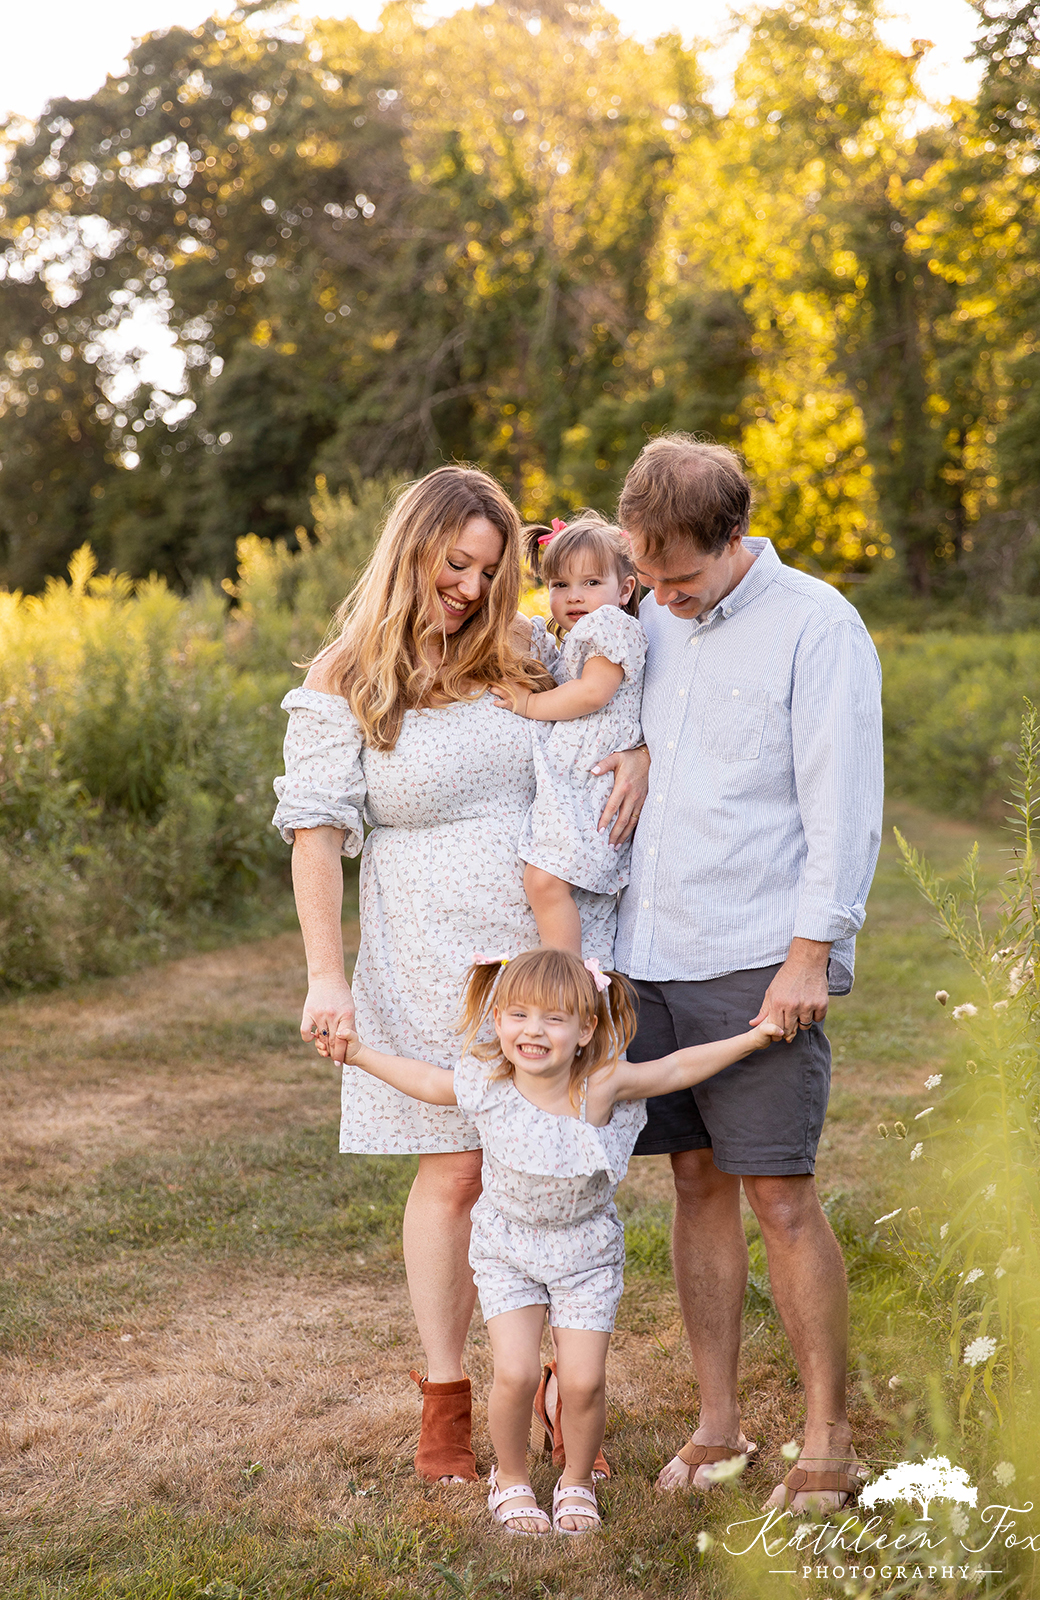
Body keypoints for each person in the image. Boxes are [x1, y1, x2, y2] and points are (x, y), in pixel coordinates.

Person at [271, 466, 644, 1486]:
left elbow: (617, 690)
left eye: (488, 568)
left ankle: (571, 1397)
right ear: (412, 548)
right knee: (455, 1169)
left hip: (545, 946)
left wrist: (638, 753)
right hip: (425, 950)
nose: (474, 587)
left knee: (565, 1167)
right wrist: (323, 976)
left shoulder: (523, 648)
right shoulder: (344, 676)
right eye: (457, 563)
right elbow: (314, 836)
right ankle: (446, 1395)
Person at [608, 433, 883, 1512]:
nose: (662, 598)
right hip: (649, 953)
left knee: (779, 1193)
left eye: (678, 578)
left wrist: (809, 951)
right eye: (647, 576)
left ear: (733, 538)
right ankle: (716, 1421)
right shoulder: (643, 619)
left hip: (757, 955)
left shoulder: (815, 624)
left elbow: (841, 801)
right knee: (692, 1182)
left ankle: (825, 1441)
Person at [326, 946, 784, 1534]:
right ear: (497, 1020)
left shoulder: (601, 1084)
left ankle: (575, 1480)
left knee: (583, 1380)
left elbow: (675, 1068)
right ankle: (510, 1477)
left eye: (553, 1018)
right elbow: (426, 1082)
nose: (533, 1031)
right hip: (507, 1251)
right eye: (517, 1015)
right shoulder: (490, 1083)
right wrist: (360, 1053)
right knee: (514, 1373)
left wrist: (754, 1039)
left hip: (585, 1255)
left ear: (587, 1026)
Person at [491, 514, 647, 955]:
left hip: (592, 782)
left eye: (591, 582)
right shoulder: (578, 636)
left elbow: (594, 693)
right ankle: (584, 973)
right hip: (578, 782)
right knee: (565, 889)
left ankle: (564, 977)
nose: (574, 596)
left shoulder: (610, 626)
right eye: (559, 584)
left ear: (626, 589)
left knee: (543, 881)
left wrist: (529, 705)